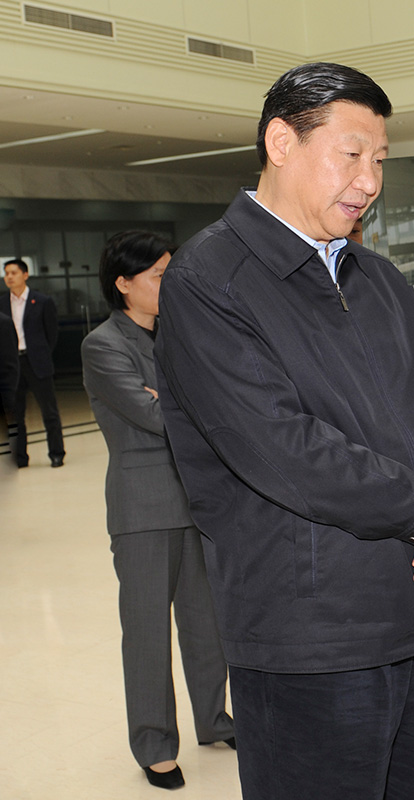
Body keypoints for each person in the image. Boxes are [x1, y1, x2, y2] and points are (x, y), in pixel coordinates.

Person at [154, 62, 414, 800]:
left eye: (380, 160)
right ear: (281, 142)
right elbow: (282, 448)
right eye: (351, 154)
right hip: (313, 636)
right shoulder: (210, 280)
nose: (369, 181)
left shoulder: (379, 278)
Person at [82, 231, 235, 790]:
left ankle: (213, 719)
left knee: (207, 625)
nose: (170, 284)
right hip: (144, 509)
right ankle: (154, 745)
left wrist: (170, 398)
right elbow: (154, 418)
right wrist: (183, 402)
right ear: (124, 284)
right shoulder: (103, 345)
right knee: (147, 632)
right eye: (159, 275)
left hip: (199, 501)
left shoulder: (177, 333)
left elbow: (205, 397)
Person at [5, 258, 65, 467]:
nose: (9, 277)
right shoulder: (2, 303)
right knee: (14, 415)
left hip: (37, 362)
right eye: (6, 273)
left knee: (49, 412)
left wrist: (41, 353)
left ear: (25, 275)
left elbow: (52, 333)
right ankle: (19, 457)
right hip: (12, 364)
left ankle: (56, 453)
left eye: (13, 273)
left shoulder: (42, 301)